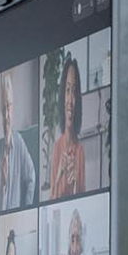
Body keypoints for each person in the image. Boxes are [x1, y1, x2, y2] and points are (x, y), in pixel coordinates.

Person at [0, 70, 36, 210]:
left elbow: (31, 177)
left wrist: (27, 208)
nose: (7, 115)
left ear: (13, 110)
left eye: (9, 107)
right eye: (4, 108)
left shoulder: (18, 141)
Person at [49, 55, 86, 200]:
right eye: (67, 90)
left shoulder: (80, 151)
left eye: (74, 92)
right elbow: (51, 201)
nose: (70, 100)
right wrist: (59, 174)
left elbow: (83, 201)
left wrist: (76, 183)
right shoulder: (57, 147)